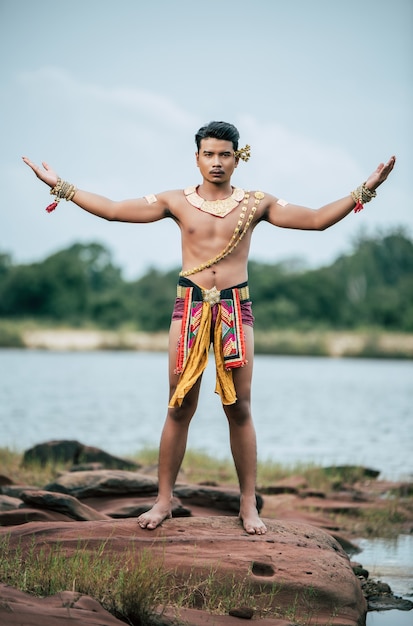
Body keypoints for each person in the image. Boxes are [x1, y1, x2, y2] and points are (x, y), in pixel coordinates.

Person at [23, 121, 396, 535]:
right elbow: (113, 211)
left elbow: (316, 220)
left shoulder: (257, 203)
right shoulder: (175, 201)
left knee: (239, 407)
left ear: (238, 157)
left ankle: (247, 506)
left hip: (237, 309)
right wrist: (62, 187)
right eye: (208, 154)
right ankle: (163, 501)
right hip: (189, 308)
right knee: (179, 405)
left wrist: (367, 187)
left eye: (224, 154)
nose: (216, 162)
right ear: (196, 157)